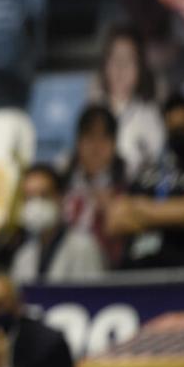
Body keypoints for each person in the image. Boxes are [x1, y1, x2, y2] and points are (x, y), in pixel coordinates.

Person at [107, 96, 184, 268]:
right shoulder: (146, 174)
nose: (178, 134)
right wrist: (172, 214)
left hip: (183, 278)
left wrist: (138, 208)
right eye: (173, 128)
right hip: (131, 274)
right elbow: (115, 220)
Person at [10, 164, 105, 283]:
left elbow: (94, 297)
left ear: (60, 198)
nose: (36, 203)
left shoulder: (84, 247)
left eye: (44, 195)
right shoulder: (23, 256)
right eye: (29, 197)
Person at [92, 26, 165, 180]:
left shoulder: (150, 117)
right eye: (115, 59)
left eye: (129, 60)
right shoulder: (92, 111)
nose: (120, 68)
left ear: (141, 68)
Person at [62, 106, 128, 266]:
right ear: (78, 142)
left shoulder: (125, 191)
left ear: (114, 145)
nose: (96, 147)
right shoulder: (61, 186)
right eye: (89, 137)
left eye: (104, 138)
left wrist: (109, 209)